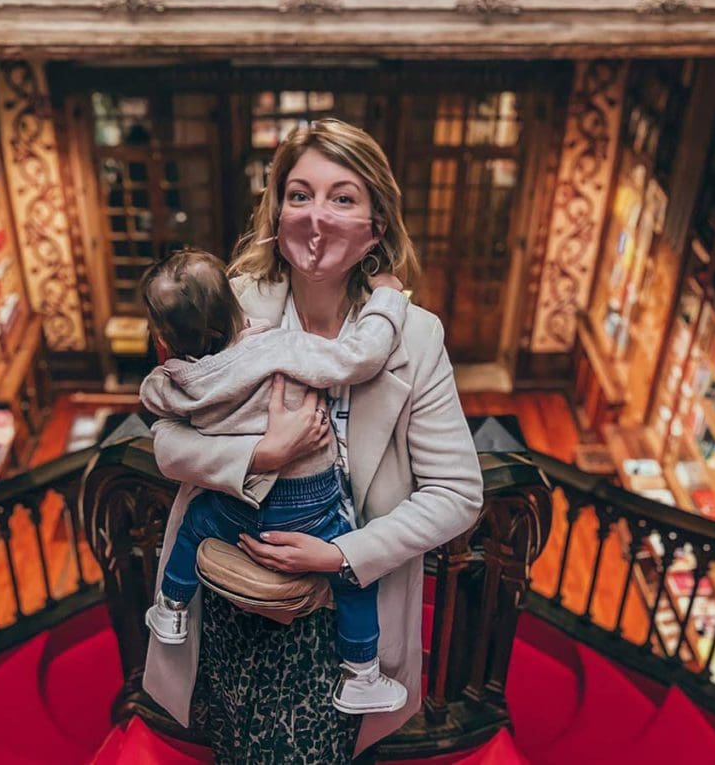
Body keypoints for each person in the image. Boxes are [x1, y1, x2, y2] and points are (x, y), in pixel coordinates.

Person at [142, 118, 484, 763]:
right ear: (276, 210)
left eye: (342, 198)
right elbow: (166, 438)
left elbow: (457, 495)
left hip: (342, 616)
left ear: (376, 227)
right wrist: (259, 457)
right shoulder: (226, 305)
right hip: (232, 594)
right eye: (299, 195)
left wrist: (340, 555)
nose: (316, 217)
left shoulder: (415, 338)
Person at [138, 247, 409, 714]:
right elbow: (360, 357)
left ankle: (171, 608)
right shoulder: (282, 346)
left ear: (164, 341)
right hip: (309, 501)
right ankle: (361, 674)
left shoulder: (174, 381)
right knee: (352, 577)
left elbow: (154, 399)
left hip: (235, 507)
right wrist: (387, 299)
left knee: (195, 522)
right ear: (236, 308)